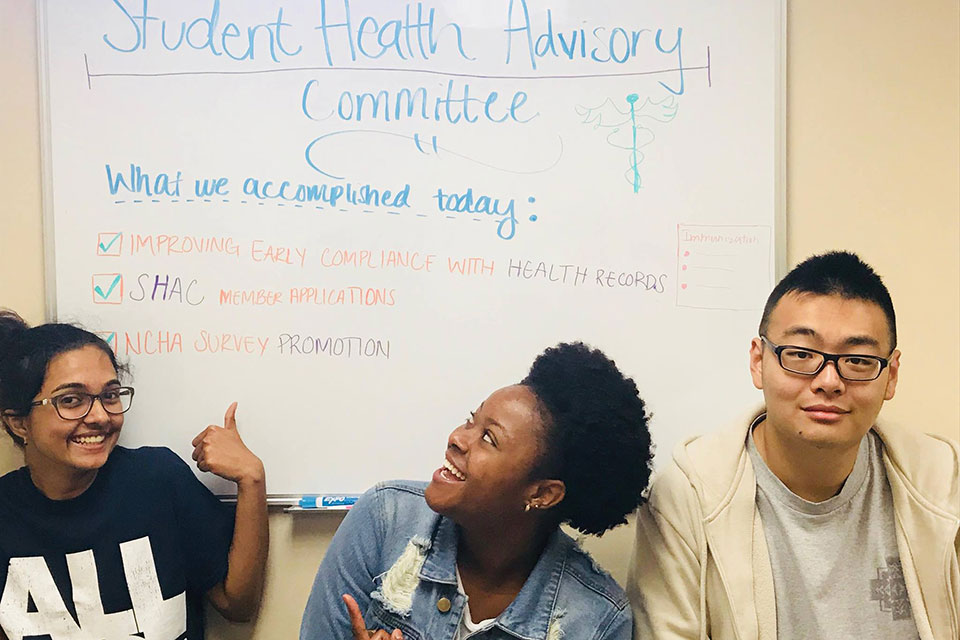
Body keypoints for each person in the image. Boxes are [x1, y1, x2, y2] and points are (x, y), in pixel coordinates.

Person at [626, 251, 959, 640]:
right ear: (758, 360)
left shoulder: (940, 482)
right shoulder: (690, 496)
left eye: (858, 360)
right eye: (801, 355)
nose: (829, 381)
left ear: (891, 375)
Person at [300, 342, 653, 640]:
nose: (457, 438)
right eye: (472, 420)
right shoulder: (385, 518)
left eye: (489, 438)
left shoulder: (595, 620)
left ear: (542, 493)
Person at [0, 310, 269, 640]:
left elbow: (236, 604)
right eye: (71, 400)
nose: (99, 416)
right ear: (18, 422)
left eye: (110, 395)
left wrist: (252, 479)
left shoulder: (158, 481)